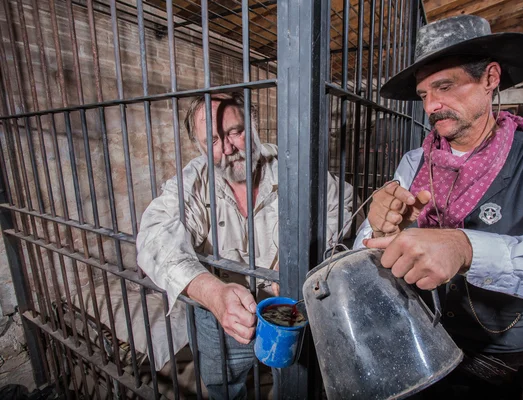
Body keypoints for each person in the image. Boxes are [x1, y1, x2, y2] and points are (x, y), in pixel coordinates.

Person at [354, 15, 523, 399]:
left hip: (499, 367)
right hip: (418, 349)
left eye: (445, 86)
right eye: (423, 95)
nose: (432, 105)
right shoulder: (413, 163)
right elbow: (365, 257)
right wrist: (381, 229)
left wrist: (467, 248)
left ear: (490, 78)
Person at [137, 92, 360, 399]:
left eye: (235, 132)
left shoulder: (290, 166)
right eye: (212, 140)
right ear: (199, 145)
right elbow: (155, 235)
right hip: (222, 311)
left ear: (254, 126)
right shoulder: (193, 181)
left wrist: (303, 257)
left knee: (297, 376)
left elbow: (341, 201)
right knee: (224, 383)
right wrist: (212, 293)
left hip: (289, 303)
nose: (227, 149)